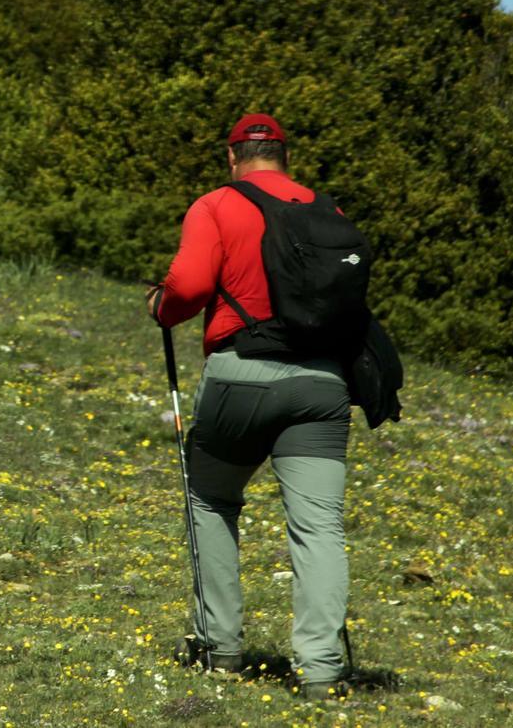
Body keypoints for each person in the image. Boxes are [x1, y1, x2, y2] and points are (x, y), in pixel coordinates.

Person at [146, 114, 354, 700]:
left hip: (242, 373)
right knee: (318, 525)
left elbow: (186, 288)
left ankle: (221, 646)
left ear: (233, 158)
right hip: (323, 382)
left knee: (210, 495)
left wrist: (161, 306)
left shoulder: (217, 204)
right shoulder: (326, 211)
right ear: (284, 157)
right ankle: (319, 670)